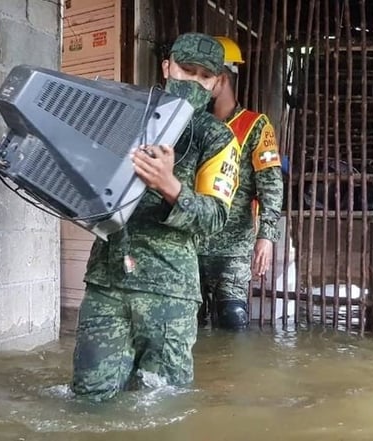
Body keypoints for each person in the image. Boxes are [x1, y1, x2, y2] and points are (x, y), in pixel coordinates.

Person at [72, 33, 241, 401]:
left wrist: (169, 186)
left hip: (169, 292)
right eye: (186, 70)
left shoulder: (216, 138)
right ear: (167, 68)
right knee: (89, 397)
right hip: (107, 282)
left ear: (216, 84)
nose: (193, 82)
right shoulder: (128, 115)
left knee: (162, 404)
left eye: (204, 76)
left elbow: (215, 218)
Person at [197, 36, 284, 330]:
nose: (197, 83)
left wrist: (267, 237)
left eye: (204, 76)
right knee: (187, 324)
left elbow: (271, 185)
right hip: (191, 242)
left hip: (234, 246)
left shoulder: (255, 125)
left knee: (232, 320)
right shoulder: (191, 124)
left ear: (221, 79)